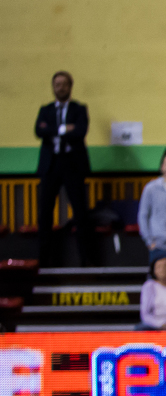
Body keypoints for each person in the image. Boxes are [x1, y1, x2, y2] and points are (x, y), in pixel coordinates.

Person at [34, 71, 91, 267]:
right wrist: (64, 129)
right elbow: (39, 131)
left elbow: (80, 131)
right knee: (45, 213)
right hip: (51, 165)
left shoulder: (79, 109)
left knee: (80, 212)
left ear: (70, 87)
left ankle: (85, 260)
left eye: (64, 84)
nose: (60, 88)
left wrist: (53, 130)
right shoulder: (46, 110)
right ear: (53, 87)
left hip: (73, 164)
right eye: (57, 84)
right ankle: (44, 260)